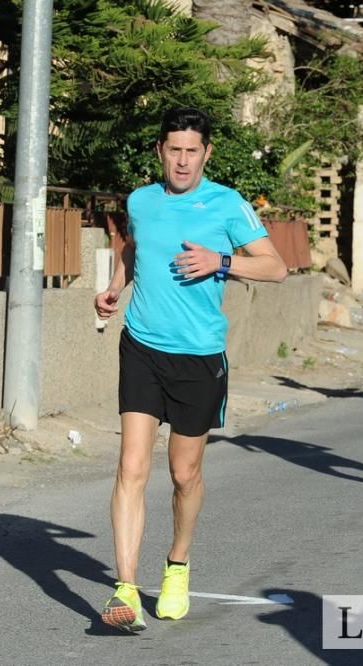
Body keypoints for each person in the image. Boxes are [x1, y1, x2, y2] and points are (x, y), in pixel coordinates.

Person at [93, 107, 287, 631]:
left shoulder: (227, 204)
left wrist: (221, 262)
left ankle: (177, 564)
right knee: (131, 467)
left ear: (206, 154)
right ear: (160, 151)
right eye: (173, 150)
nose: (182, 160)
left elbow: (276, 266)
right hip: (141, 346)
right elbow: (134, 248)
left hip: (199, 355)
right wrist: (115, 288)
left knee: (184, 473)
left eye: (191, 151)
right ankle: (126, 589)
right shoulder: (142, 200)